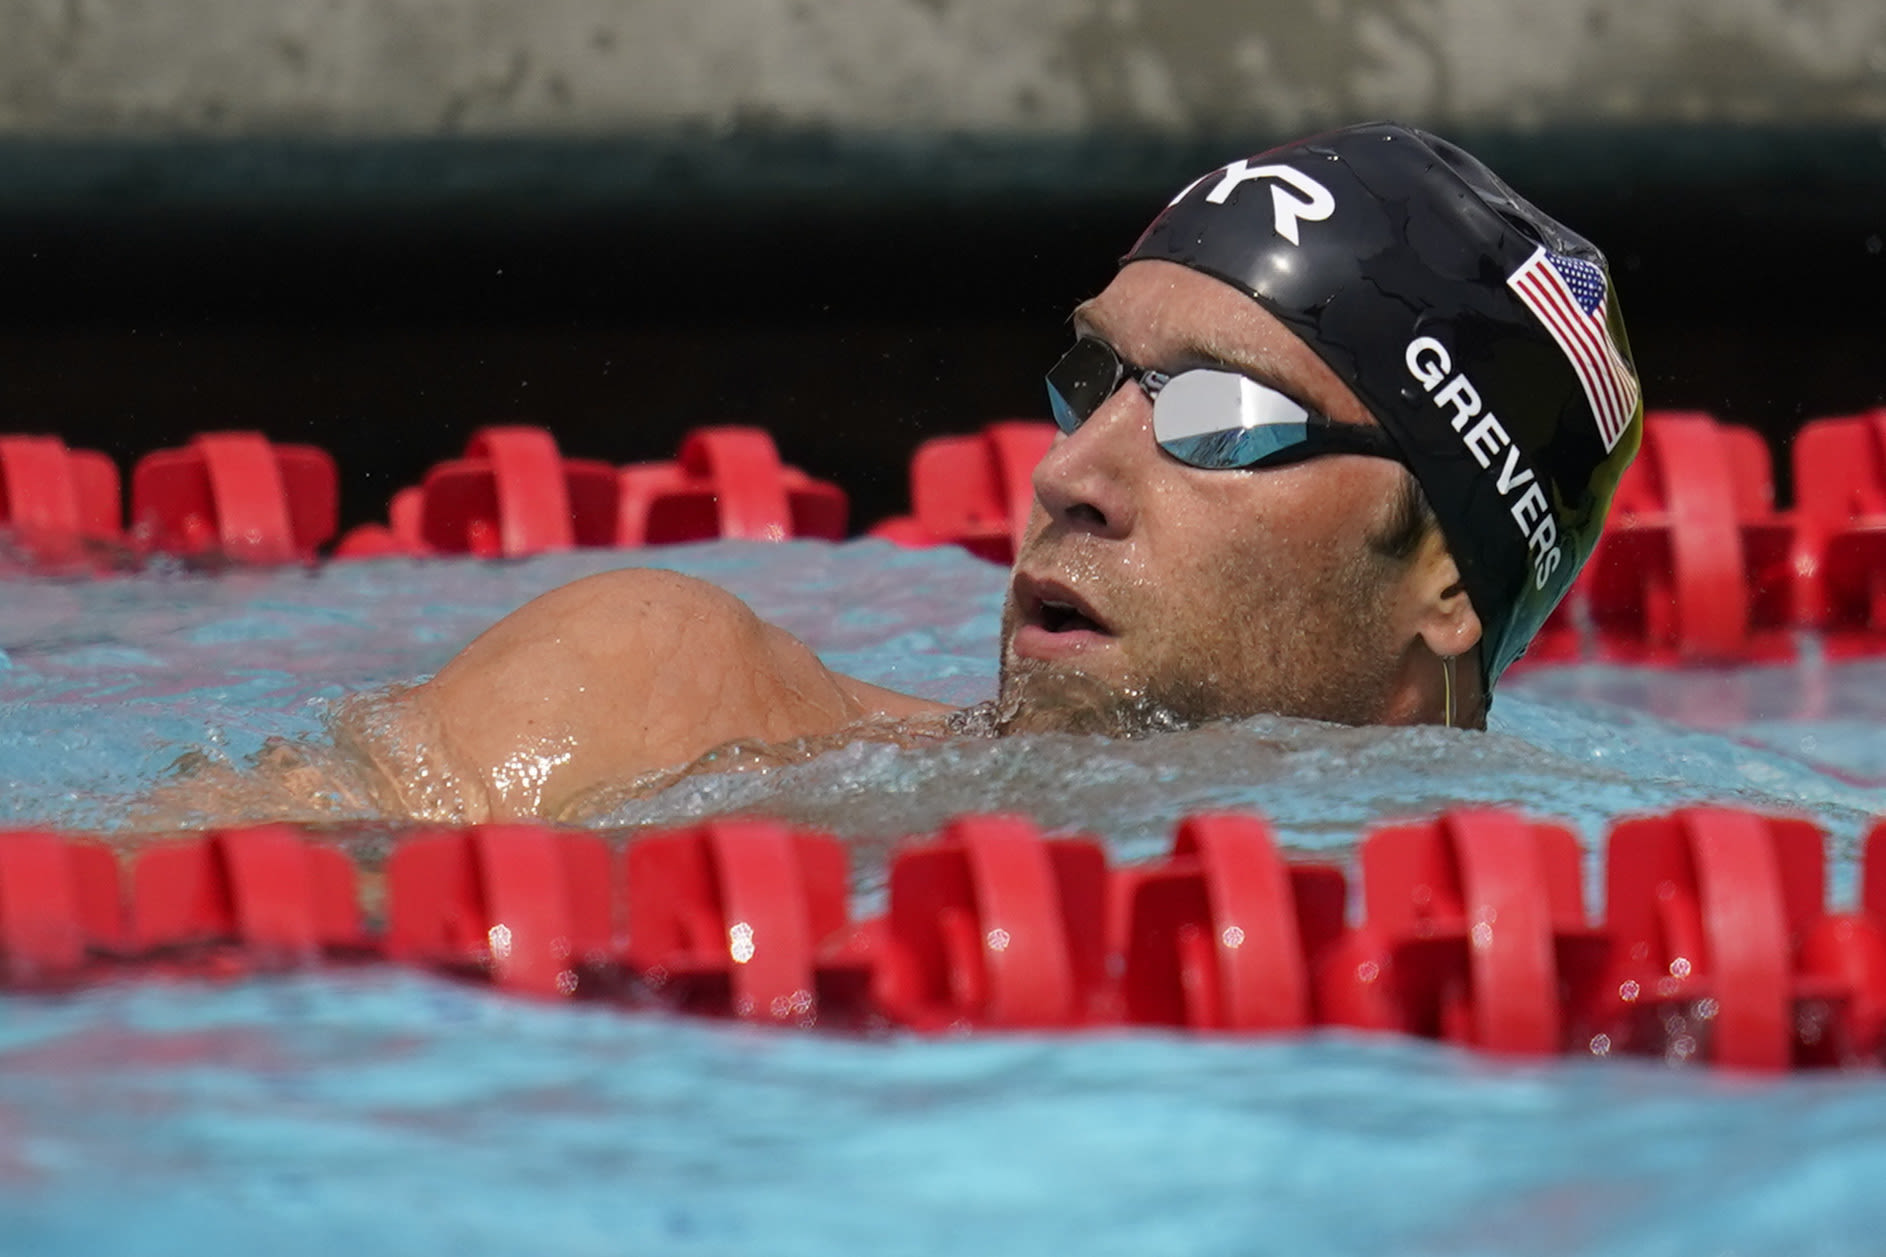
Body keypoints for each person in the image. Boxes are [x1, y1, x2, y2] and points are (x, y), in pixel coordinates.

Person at [168, 121, 1643, 825]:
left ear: (1447, 571)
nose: (1072, 470)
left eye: (1217, 414)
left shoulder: (1591, 877)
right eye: (1093, 382)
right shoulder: (664, 699)